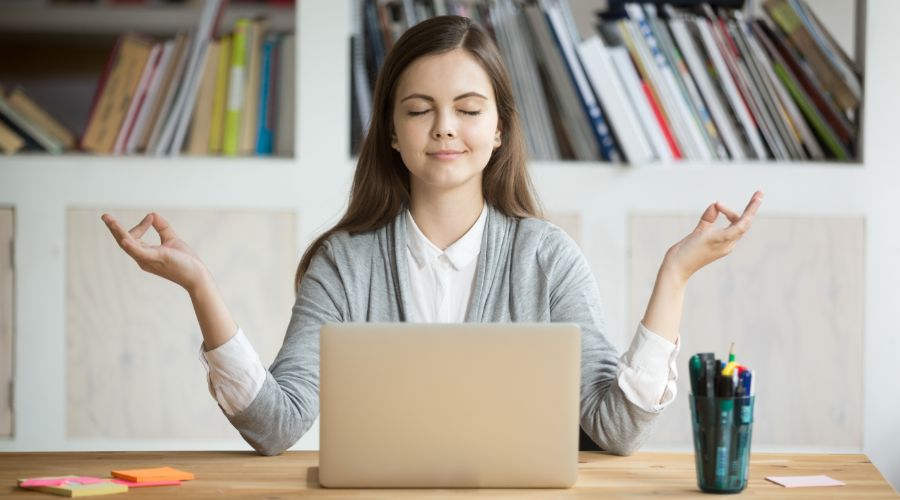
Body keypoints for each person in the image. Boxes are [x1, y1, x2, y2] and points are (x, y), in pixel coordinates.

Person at [101, 15, 763, 456]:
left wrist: (673, 275)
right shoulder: (345, 264)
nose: (444, 128)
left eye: (468, 110)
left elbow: (613, 429)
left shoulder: (546, 258)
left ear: (499, 128)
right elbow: (277, 427)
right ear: (392, 132)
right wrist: (200, 286)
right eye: (420, 111)